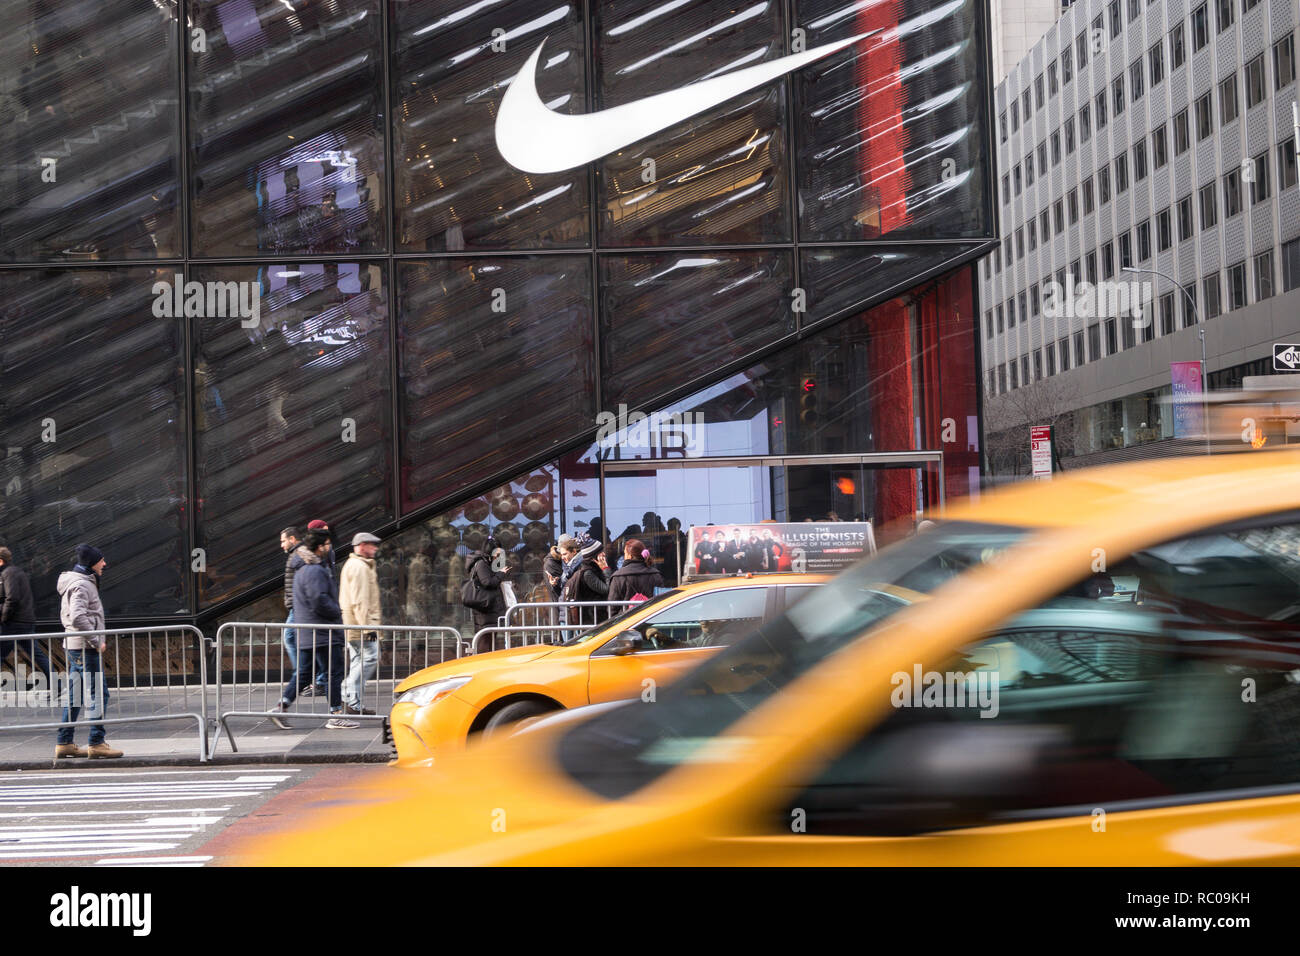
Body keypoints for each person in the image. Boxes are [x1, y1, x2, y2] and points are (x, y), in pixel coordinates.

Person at [271, 531, 358, 729]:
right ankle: (336, 714)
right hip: (322, 633)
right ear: (319, 547)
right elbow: (319, 600)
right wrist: (338, 611)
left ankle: (281, 707)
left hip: (311, 631)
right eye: (327, 544)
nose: (329, 548)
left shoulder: (304, 569)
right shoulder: (314, 570)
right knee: (333, 673)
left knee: (304, 673)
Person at [55, 545, 122, 759]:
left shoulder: (78, 581)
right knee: (99, 694)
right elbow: (77, 616)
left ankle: (65, 741)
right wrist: (95, 641)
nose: (105, 564)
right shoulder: (82, 585)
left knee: (75, 696)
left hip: (75, 646)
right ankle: (97, 742)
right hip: (85, 648)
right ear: (92, 563)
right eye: (101, 560)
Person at [340, 532, 382, 716]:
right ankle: (349, 698)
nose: (376, 548)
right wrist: (368, 628)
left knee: (359, 661)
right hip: (361, 626)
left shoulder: (357, 565)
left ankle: (351, 701)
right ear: (362, 546)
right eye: (372, 545)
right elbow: (360, 601)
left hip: (355, 625)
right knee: (369, 659)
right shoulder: (359, 567)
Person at [283, 525, 327, 697]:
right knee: (299, 641)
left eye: (283, 540)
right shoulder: (298, 554)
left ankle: (305, 676)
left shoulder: (300, 554)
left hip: (299, 607)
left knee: (295, 639)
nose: (281, 545)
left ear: (292, 539)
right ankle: (307, 676)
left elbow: (306, 583)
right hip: (297, 606)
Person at [0, 546, 50, 692]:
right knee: (36, 654)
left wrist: (4, 617)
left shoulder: (9, 573)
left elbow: (12, 598)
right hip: (23, 621)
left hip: (14, 622)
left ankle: (58, 685)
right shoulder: (13, 572)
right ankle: (58, 685)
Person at [465, 540, 510, 638]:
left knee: (490, 639)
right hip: (485, 610)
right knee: (485, 640)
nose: (498, 556)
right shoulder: (482, 564)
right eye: (496, 553)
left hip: (489, 610)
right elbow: (487, 582)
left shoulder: (488, 563)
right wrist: (501, 573)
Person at [562, 536, 612, 623]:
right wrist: (606, 569)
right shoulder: (587, 573)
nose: (604, 554)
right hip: (592, 619)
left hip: (598, 616)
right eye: (601, 552)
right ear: (593, 556)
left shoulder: (595, 569)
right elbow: (607, 589)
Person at [607, 539, 664, 609]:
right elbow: (662, 601)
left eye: (625, 553)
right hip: (651, 617)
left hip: (627, 618)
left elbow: (612, 607)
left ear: (629, 556)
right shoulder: (656, 575)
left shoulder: (618, 577)